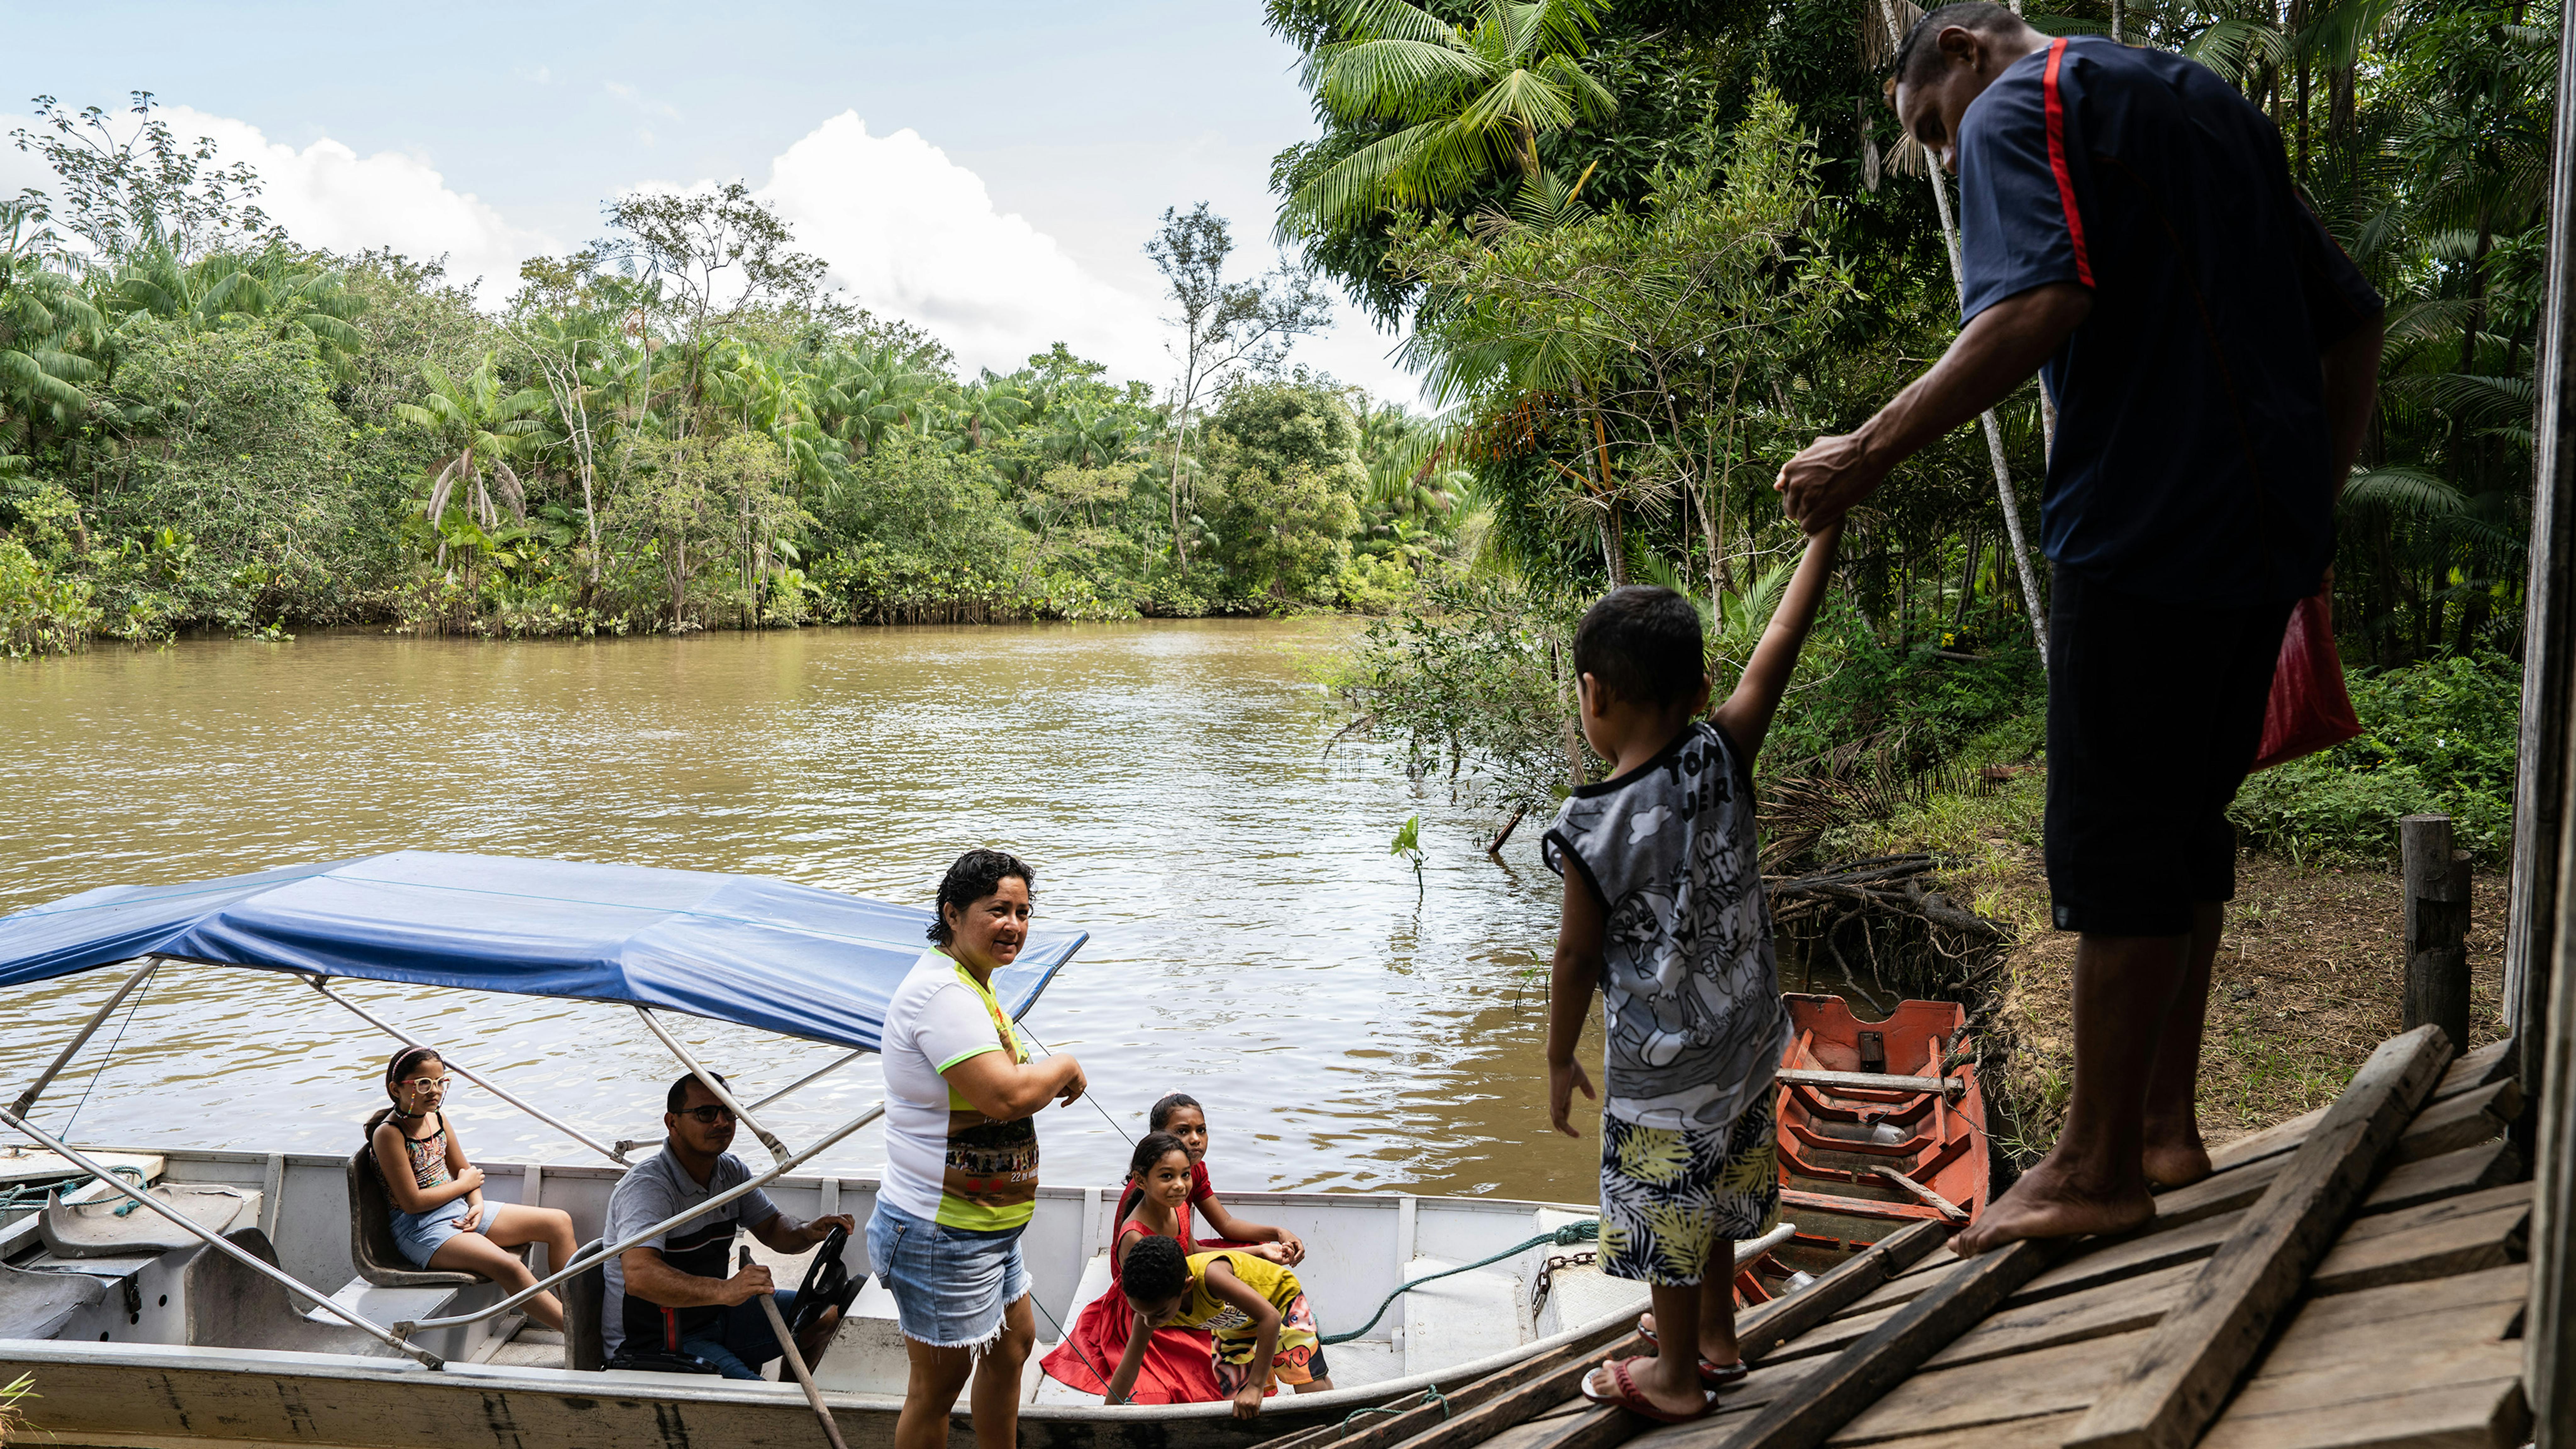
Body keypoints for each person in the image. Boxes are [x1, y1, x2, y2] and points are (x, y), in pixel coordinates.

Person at [1774, 3, 2385, 1254]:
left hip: (2140, 521)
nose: (1947, 156)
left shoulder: (2016, 101)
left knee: (2109, 831)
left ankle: (2098, 1161)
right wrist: (2307, 507)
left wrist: (1863, 453)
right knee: (2179, 822)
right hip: (2255, 531)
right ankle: (2161, 1128)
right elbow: (2352, 317)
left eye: (1929, 132)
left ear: (1957, 52)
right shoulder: (2204, 100)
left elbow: (2037, 303)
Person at [1541, 529, 1845, 1424]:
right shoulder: (1721, 751)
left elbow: (1575, 958)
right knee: (1713, 1193)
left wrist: (1560, 1057)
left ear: (1592, 696)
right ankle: (1718, 1340)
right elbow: (1779, 647)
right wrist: (1822, 539)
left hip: (1665, 1068)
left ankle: (1676, 1374)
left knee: (1665, 1209)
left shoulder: (1590, 827)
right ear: (1700, 691)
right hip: (1748, 1043)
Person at [867, 848, 1087, 1449]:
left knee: (1013, 1343)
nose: (1014, 923)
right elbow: (1003, 1096)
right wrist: (1063, 1061)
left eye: (1022, 911)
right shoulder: (942, 993)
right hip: (940, 1230)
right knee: (936, 1389)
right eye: (997, 910)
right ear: (953, 913)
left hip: (983, 1227)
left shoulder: (972, 982)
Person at [601, 1071, 856, 1379]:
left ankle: (792, 1393)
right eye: (706, 1113)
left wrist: (808, 1231)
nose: (721, 1122)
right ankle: (778, 1406)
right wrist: (725, 1289)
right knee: (757, 1402)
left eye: (729, 1112)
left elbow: (775, 1229)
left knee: (832, 1313)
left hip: (715, 1314)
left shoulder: (731, 1172)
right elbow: (640, 1277)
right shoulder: (648, 1187)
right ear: (672, 1123)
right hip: (657, 1340)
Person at [365, 1047, 578, 1331]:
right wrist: (464, 1186)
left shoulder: (437, 1119)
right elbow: (412, 1202)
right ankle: (579, 1334)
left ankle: (580, 1313)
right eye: (423, 1083)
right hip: (422, 1229)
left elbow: (465, 1172)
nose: (435, 1091)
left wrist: (476, 1203)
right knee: (510, 1267)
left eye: (441, 1082)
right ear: (396, 1088)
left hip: (459, 1211)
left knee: (558, 1222)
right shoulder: (389, 1134)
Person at [1038, 1132, 1227, 1402]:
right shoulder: (1134, 1236)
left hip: (1179, 1294)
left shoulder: (1179, 1207)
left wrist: (1258, 1251)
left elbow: (1193, 1251)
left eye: (1185, 1175)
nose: (1180, 1185)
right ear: (1141, 1180)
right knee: (1194, 1373)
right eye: (1166, 1176)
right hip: (1151, 1308)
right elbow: (1148, 1300)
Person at [1107, 1235, 1333, 1419]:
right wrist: (1107, 1418)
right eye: (1142, 1314)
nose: (1150, 1323)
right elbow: (1128, 1369)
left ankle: (1334, 1420)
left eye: (1157, 1315)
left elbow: (1270, 1318)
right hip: (1236, 1322)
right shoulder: (1152, 1310)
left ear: (1187, 1287)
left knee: (1308, 1386)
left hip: (1279, 1302)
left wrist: (1255, 1386)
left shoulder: (1212, 1277)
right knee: (1237, 1398)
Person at [1138, 1093, 1303, 1263]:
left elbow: (1226, 1224)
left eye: (1201, 1130)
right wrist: (1259, 1252)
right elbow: (1190, 1253)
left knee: (1258, 1244)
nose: (1196, 1139)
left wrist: (1278, 1233)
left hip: (1183, 1253)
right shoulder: (1151, 1183)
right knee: (1254, 1255)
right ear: (1157, 1137)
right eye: (1183, 1131)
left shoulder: (1197, 1170)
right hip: (1156, 1267)